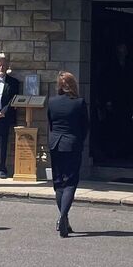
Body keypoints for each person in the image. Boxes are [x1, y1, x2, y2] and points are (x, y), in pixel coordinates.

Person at [47, 71, 88, 237]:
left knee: (58, 182)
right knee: (70, 182)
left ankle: (64, 217)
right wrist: (79, 141)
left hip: (55, 143)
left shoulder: (52, 102)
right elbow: (85, 125)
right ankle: (63, 216)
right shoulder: (79, 103)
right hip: (71, 144)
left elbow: (50, 123)